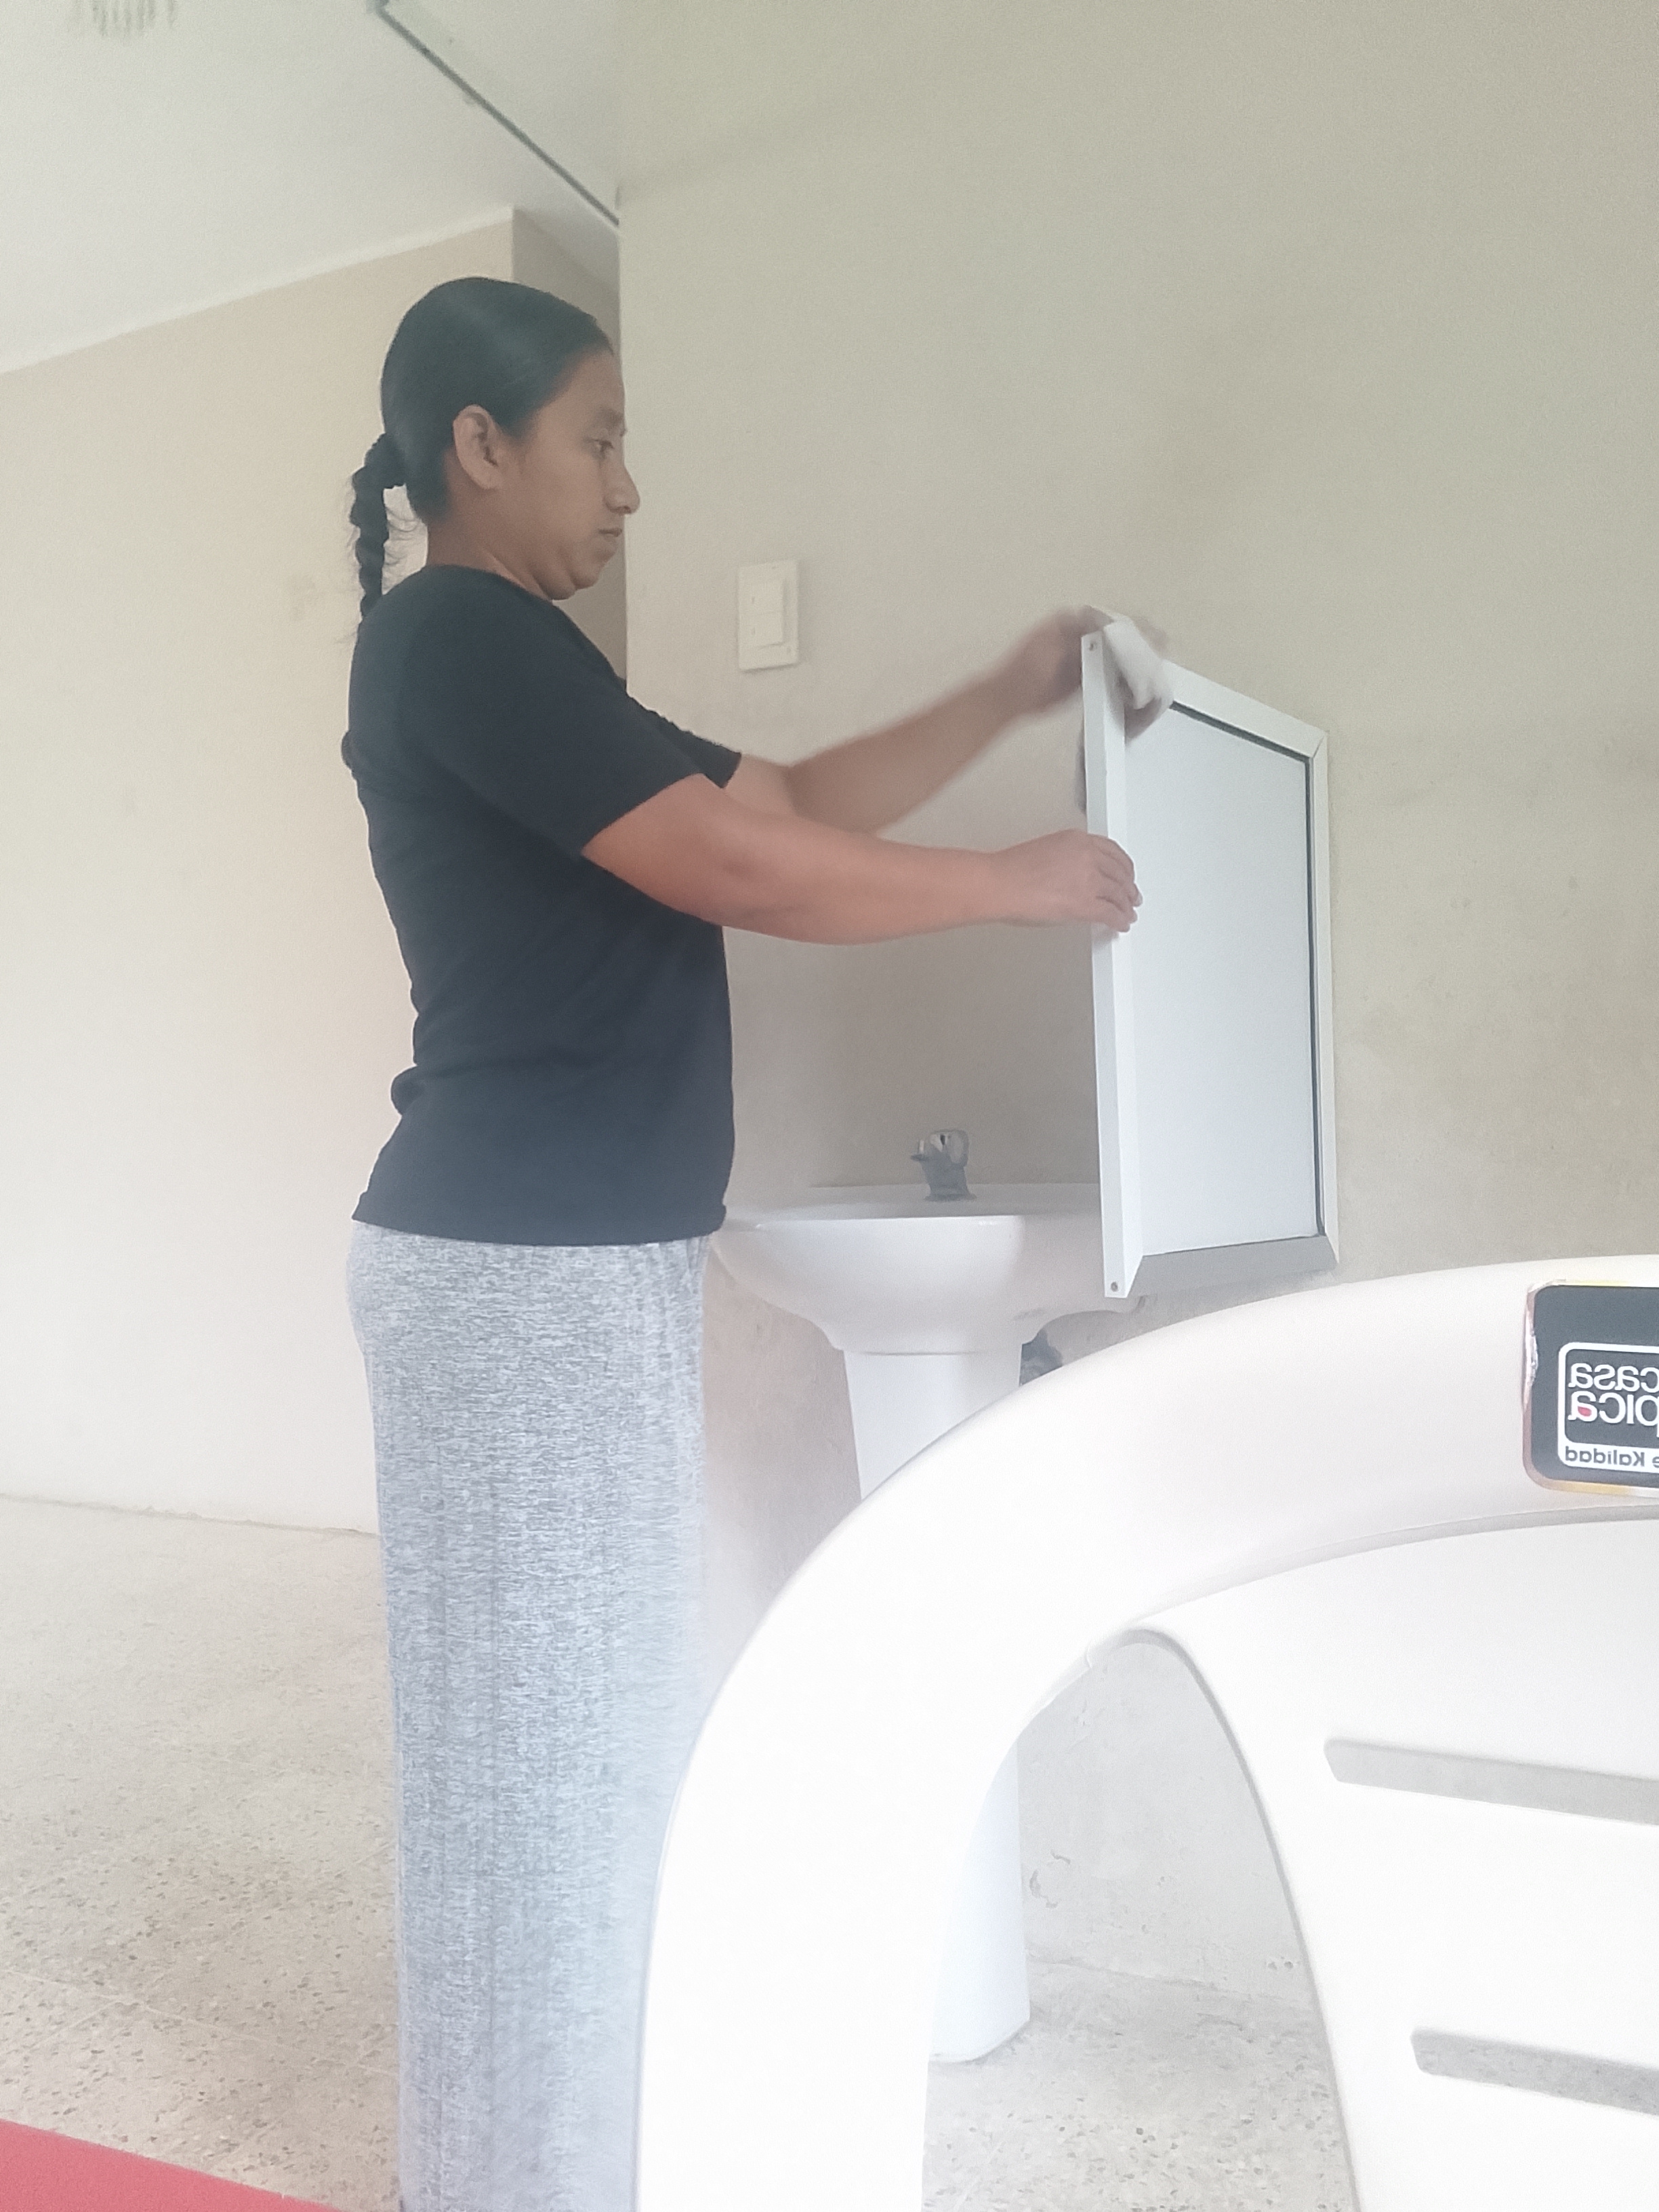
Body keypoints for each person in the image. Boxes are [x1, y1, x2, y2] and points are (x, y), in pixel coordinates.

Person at [340, 274, 1140, 2212]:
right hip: (513, 1280)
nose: (628, 487)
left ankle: (549, 2167)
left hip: (568, 1272)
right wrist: (1010, 886)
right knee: (541, 1787)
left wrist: (997, 698)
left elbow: (778, 799)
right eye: (600, 440)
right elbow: (735, 866)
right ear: (481, 447)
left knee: (585, 1767)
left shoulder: (534, 668)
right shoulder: (453, 634)